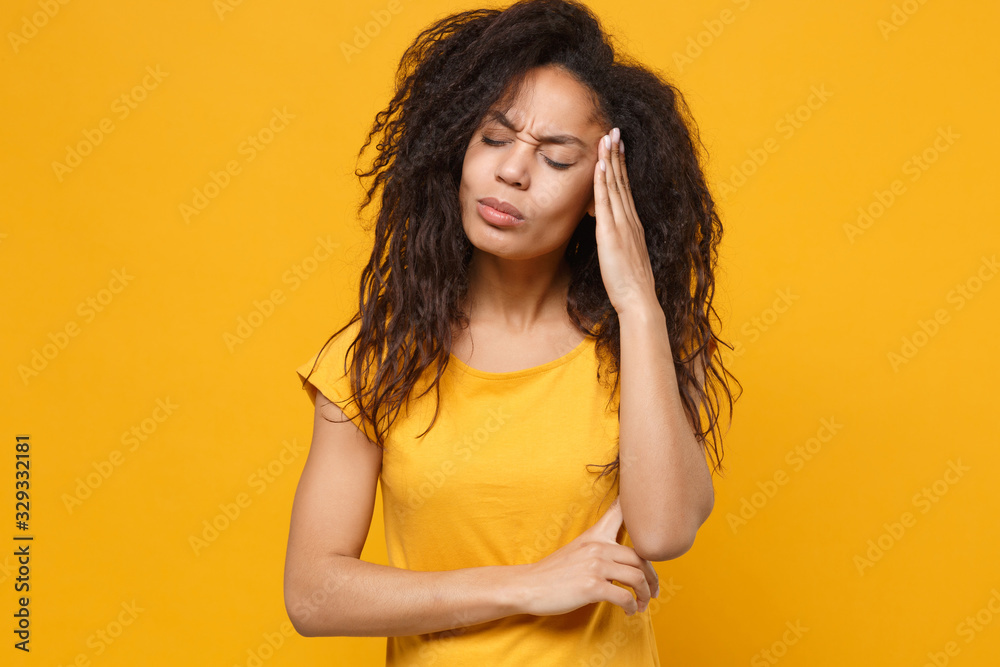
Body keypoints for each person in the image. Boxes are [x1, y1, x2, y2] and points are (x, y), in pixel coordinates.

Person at [284, 0, 740, 664]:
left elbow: (665, 529)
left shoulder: (650, 343)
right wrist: (530, 585)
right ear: (458, 147)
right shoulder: (378, 352)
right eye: (494, 138)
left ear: (598, 191)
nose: (512, 172)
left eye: (556, 158)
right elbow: (313, 593)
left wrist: (641, 305)